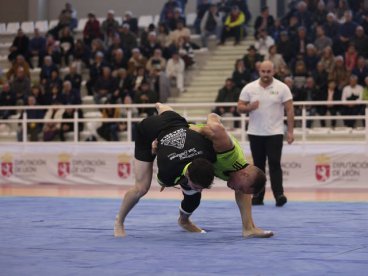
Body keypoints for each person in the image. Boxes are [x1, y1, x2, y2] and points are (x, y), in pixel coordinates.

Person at [114, 103, 273, 238]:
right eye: (240, 187)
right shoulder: (226, 151)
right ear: (244, 174)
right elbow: (214, 122)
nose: (235, 189)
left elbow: (243, 192)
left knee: (195, 190)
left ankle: (161, 106)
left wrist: (248, 226)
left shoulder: (225, 166)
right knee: (141, 188)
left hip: (176, 125)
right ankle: (119, 222)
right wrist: (194, 129)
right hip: (156, 132)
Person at [237, 60, 294, 207]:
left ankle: (279, 195)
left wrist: (291, 132)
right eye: (263, 71)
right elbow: (239, 107)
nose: (266, 74)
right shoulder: (249, 88)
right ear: (259, 71)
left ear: (273, 71)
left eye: (269, 71)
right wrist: (249, 107)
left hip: (275, 133)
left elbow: (290, 110)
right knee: (258, 167)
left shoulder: (282, 88)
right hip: (255, 133)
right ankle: (258, 196)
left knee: (275, 163)